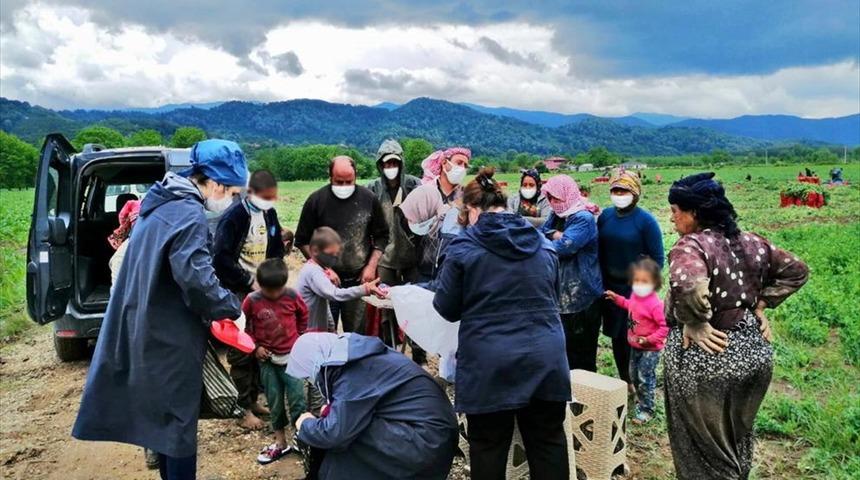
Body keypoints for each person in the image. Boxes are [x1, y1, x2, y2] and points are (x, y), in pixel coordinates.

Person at [73, 139, 248, 480]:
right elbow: (197, 280)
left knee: (164, 424)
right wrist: (231, 308)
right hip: (169, 336)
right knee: (179, 426)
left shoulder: (161, 203)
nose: (231, 200)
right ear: (214, 183)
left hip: (147, 323)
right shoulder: (188, 212)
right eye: (232, 192)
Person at [662, 172, 809, 480]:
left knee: (703, 453)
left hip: (707, 357)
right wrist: (760, 303)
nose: (672, 218)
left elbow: (688, 285)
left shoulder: (691, 245)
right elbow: (797, 270)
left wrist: (695, 322)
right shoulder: (752, 242)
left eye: (675, 211)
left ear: (695, 213)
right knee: (736, 439)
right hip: (753, 356)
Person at [433, 168, 571, 480]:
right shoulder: (542, 244)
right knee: (548, 442)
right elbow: (554, 296)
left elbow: (446, 308)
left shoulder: (465, 247)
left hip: (490, 363)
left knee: (489, 446)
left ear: (471, 210)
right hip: (545, 357)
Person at [287, 333, 459, 480]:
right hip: (431, 434)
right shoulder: (356, 356)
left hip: (427, 443)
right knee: (345, 422)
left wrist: (305, 424)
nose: (311, 380)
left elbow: (335, 433)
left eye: (308, 375)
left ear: (315, 363)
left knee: (344, 434)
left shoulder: (351, 372)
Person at [213, 169, 284, 429]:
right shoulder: (234, 217)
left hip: (263, 291)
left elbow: (276, 249)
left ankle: (253, 399)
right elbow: (220, 259)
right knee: (242, 350)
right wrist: (247, 280)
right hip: (237, 292)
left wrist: (273, 279)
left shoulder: (270, 214)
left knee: (260, 347)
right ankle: (242, 409)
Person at [294, 156, 389, 334]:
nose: (344, 187)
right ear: (330, 177)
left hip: (359, 277)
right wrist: (323, 269)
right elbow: (302, 241)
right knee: (325, 332)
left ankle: (352, 361)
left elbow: (382, 236)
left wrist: (371, 266)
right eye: (339, 182)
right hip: (325, 280)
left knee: (356, 334)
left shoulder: (368, 199)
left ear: (356, 177)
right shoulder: (316, 200)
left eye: (349, 182)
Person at [597, 169, 664, 388]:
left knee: (637, 336)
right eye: (615, 189)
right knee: (618, 337)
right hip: (610, 288)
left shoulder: (646, 222)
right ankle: (625, 381)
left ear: (634, 192)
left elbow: (657, 259)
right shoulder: (605, 216)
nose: (619, 193)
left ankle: (641, 382)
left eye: (623, 190)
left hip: (634, 290)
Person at [242, 258, 309, 464]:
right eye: (269, 291)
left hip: (292, 358)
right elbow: (245, 328)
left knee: (298, 399)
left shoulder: (292, 295)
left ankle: (301, 440)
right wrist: (256, 347)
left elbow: (303, 315)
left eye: (277, 290)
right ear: (260, 286)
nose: (273, 295)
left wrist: (300, 337)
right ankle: (280, 441)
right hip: (268, 359)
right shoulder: (251, 301)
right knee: (275, 401)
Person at [539, 174, 603, 372]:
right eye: (550, 198)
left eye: (556, 198)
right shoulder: (558, 214)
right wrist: (554, 235)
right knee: (564, 351)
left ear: (567, 195)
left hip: (582, 295)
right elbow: (542, 232)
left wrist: (556, 239)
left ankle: (588, 395)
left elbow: (564, 247)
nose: (552, 202)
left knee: (581, 354)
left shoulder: (583, 218)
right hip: (563, 293)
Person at [365, 139, 423, 354]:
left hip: (412, 257)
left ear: (401, 164)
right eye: (387, 164)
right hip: (385, 258)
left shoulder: (414, 185)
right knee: (386, 307)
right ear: (380, 165)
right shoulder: (372, 188)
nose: (391, 168)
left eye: (394, 163)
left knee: (416, 306)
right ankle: (389, 349)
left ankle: (418, 352)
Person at [604, 257, 668, 424]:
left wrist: (649, 340)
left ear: (655, 283)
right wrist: (617, 298)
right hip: (635, 345)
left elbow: (665, 327)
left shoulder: (655, 304)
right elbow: (629, 305)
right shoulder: (636, 296)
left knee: (645, 377)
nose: (640, 284)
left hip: (649, 349)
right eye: (637, 280)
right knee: (633, 374)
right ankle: (640, 399)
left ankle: (647, 409)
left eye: (644, 281)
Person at [397, 147, 471, 283]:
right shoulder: (424, 191)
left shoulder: (467, 196)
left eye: (466, 165)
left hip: (452, 269)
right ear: (444, 163)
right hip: (421, 267)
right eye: (459, 163)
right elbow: (406, 225)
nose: (462, 168)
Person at [296, 227, 386, 333]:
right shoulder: (313, 272)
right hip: (309, 332)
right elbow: (335, 294)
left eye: (335, 255)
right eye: (330, 255)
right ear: (315, 251)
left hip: (316, 330)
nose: (333, 259)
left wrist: (331, 327)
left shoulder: (318, 269)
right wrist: (364, 289)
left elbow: (324, 302)